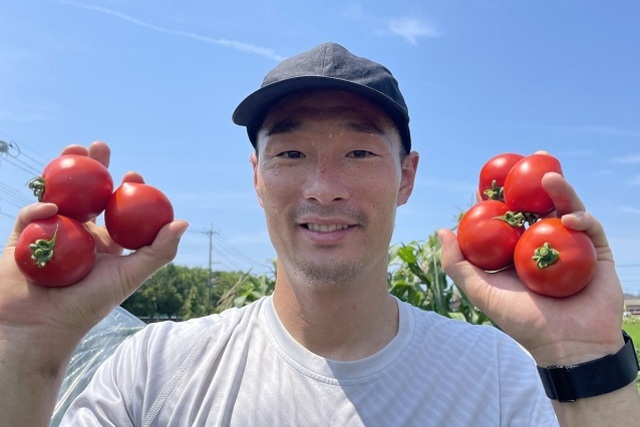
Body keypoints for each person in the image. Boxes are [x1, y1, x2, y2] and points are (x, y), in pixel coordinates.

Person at [0, 42, 638, 426]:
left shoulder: (504, 380)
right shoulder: (151, 372)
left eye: (360, 154)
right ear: (255, 176)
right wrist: (26, 349)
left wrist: (585, 358)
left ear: (407, 178)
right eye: (291, 154)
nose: (323, 187)